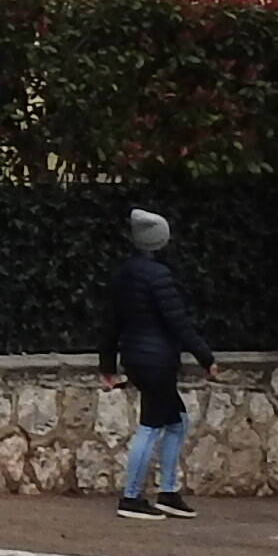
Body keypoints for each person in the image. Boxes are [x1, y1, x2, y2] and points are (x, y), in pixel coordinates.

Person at [100, 205, 216, 519]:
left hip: (136, 359)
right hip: (158, 361)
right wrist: (206, 357)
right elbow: (178, 322)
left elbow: (111, 323)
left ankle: (167, 491)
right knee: (151, 426)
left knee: (177, 421)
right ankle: (132, 496)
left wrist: (108, 366)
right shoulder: (160, 276)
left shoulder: (123, 274)